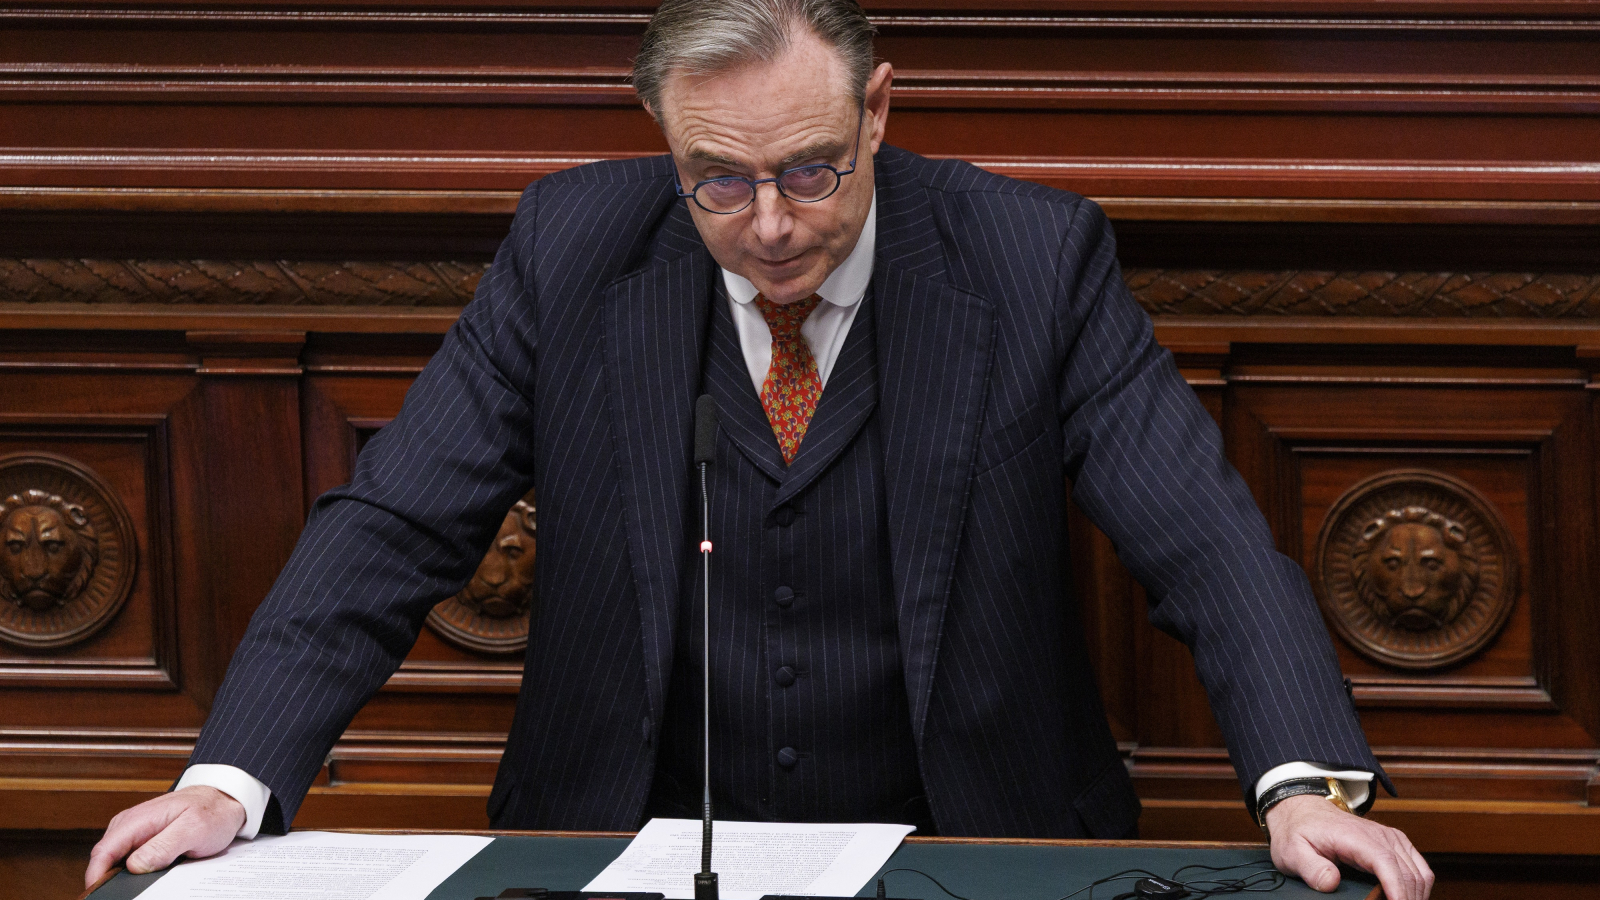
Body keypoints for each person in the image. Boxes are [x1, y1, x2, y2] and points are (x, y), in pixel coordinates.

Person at [86, 1, 1433, 898]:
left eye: (810, 169)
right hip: (626, 846)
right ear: (665, 140)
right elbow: (394, 524)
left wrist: (1304, 781)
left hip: (974, 843)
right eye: (718, 180)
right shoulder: (572, 251)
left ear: (879, 111)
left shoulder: (1031, 259)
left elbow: (1202, 537)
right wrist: (230, 781)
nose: (772, 224)